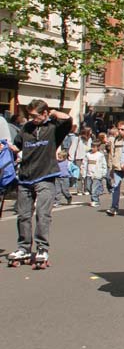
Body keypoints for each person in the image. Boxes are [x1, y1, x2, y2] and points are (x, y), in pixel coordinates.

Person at [7, 100, 72, 268]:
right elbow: (17, 146)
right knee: (23, 215)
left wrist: (53, 113)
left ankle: (42, 248)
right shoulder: (26, 128)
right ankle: (24, 248)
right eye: (30, 116)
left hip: (46, 176)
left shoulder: (53, 128)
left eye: (35, 115)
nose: (32, 118)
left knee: (42, 215)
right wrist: (7, 148)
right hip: (25, 177)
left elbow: (67, 119)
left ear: (45, 113)